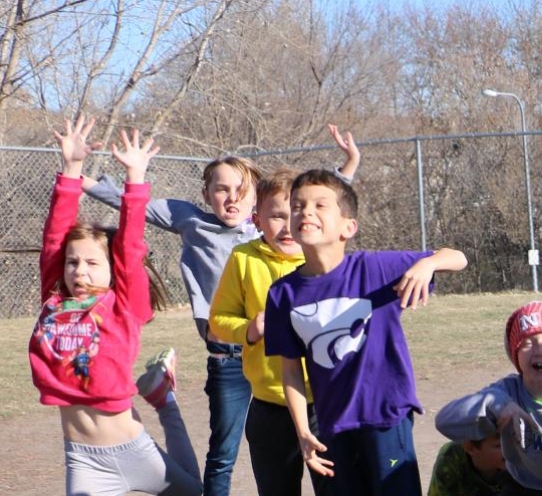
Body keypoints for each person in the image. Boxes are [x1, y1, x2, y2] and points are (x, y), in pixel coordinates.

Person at [81, 123, 359, 495]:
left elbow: (316, 203)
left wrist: (350, 163)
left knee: (316, 453)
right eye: (222, 189)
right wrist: (78, 177)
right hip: (229, 356)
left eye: (242, 191)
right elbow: (132, 203)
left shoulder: (277, 232)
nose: (232, 198)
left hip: (287, 367)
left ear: (255, 206)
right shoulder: (192, 221)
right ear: (207, 194)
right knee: (225, 450)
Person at [264, 168, 468, 495]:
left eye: (320, 205)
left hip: (386, 418)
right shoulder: (282, 295)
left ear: (349, 227)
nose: (306, 212)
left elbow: (457, 258)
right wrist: (303, 430)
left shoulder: (375, 269)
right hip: (330, 427)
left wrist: (428, 263)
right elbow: (290, 372)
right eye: (298, 205)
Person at [37, 118, 200, 496]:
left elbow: (129, 244)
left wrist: (136, 178)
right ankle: (161, 392)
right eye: (73, 262)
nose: (79, 270)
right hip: (82, 458)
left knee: (196, 493)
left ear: (114, 271)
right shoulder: (54, 300)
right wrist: (72, 168)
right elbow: (54, 240)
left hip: (133, 451)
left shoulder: (123, 305)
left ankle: (165, 402)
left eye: (93, 263)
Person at [208, 168, 330, 495]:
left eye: (294, 214)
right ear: (257, 218)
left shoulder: (322, 258)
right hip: (268, 405)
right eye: (276, 215)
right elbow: (218, 319)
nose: (287, 225)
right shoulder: (243, 259)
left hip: (323, 404)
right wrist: (249, 329)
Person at [437, 302, 542, 495]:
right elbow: (444, 422)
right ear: (514, 353)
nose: (540, 351)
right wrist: (496, 404)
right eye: (527, 343)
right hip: (521, 484)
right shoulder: (506, 392)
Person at [428, 435, 511, 496]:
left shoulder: (518, 459)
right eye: (499, 445)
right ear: (470, 448)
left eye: (513, 441)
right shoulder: (452, 457)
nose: (510, 450)